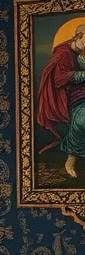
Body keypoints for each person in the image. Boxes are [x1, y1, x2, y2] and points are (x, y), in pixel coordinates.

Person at [37, 22, 85, 177]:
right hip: (71, 97)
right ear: (78, 36)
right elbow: (60, 78)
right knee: (81, 119)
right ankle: (71, 159)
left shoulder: (79, 52)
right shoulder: (63, 53)